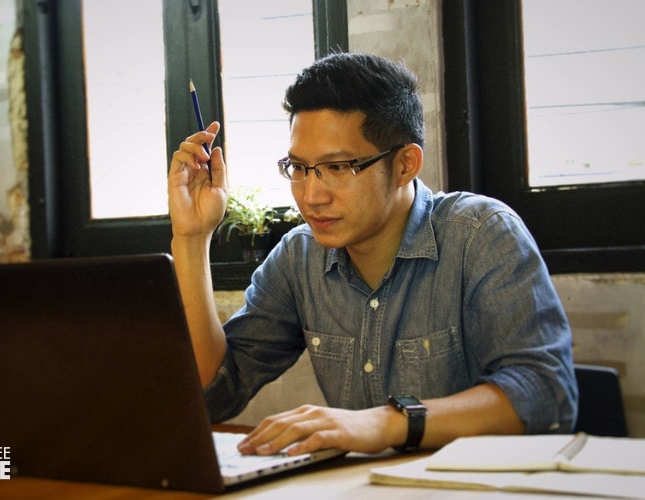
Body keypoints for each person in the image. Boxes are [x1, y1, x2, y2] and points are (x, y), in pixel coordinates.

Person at [167, 52, 577, 457]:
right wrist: (192, 237)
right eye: (298, 167)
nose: (311, 196)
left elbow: (545, 393)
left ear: (405, 165)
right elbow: (213, 395)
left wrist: (384, 422)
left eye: (339, 167)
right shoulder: (299, 257)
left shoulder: (480, 234)